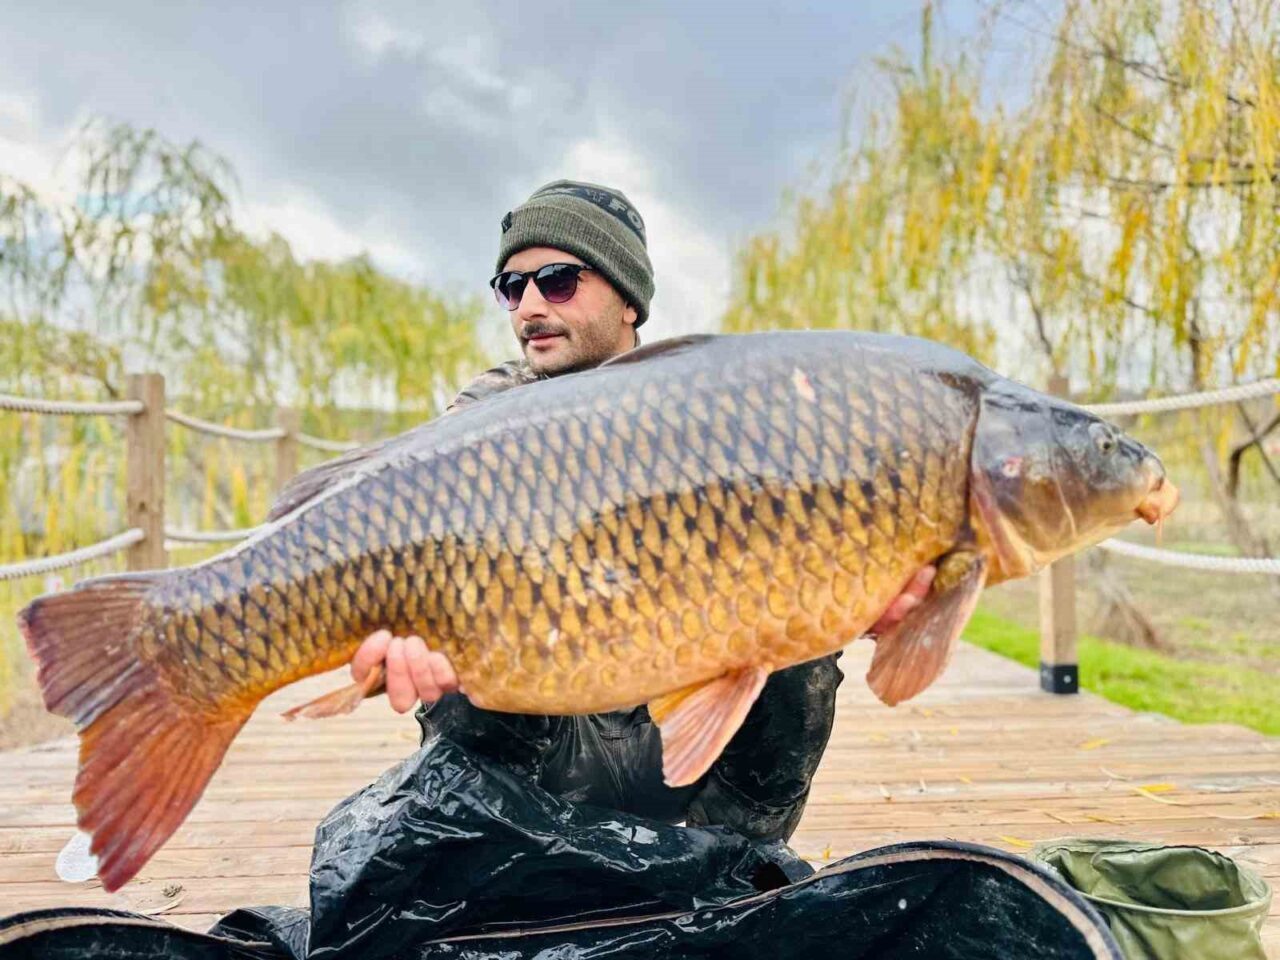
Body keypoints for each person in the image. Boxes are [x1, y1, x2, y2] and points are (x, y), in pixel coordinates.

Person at [349, 180, 934, 841]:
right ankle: (511, 857)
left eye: (558, 280)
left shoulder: (706, 411)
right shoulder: (485, 417)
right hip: (548, 738)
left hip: (683, 731)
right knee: (459, 649)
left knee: (799, 636)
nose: (529, 307)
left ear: (628, 299)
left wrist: (859, 599)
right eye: (512, 288)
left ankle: (733, 869)